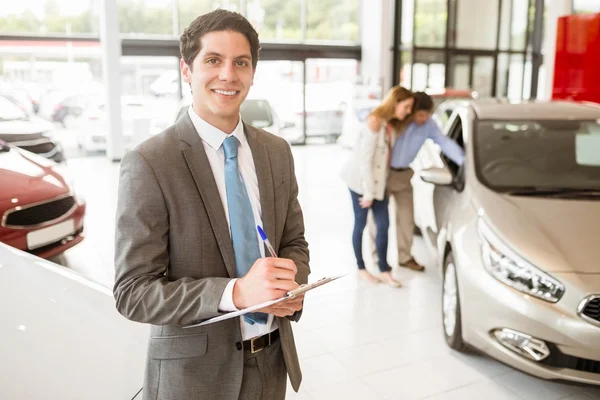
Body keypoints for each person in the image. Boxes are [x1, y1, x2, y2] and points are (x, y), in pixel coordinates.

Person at [113, 9, 310, 400]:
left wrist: (292, 283)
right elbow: (133, 291)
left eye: (241, 62)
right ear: (187, 70)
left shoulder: (276, 152)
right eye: (213, 60)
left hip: (272, 366)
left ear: (253, 72)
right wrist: (234, 294)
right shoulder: (151, 162)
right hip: (193, 379)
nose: (228, 75)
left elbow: (294, 243)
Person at [340, 86, 414, 287]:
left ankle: (384, 270)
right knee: (361, 224)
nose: (407, 111)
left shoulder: (390, 125)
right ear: (395, 102)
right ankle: (361, 268)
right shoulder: (374, 122)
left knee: (383, 225)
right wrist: (369, 193)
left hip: (378, 184)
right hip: (360, 183)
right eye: (406, 106)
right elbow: (366, 162)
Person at [383, 91, 465, 271]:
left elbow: (444, 143)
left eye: (428, 114)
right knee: (380, 222)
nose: (424, 118)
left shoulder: (428, 125)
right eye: (421, 114)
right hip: (384, 175)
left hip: (404, 175)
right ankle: (379, 262)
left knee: (407, 219)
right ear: (411, 111)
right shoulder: (397, 122)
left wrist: (465, 162)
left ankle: (405, 257)